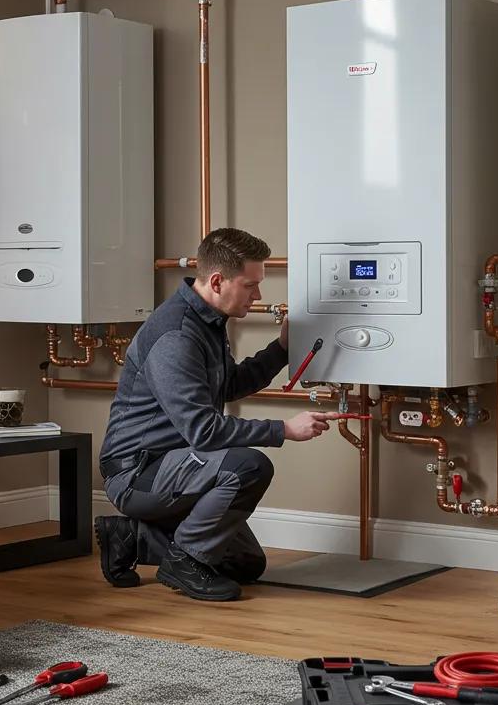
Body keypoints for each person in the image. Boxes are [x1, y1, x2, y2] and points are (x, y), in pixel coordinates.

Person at [95, 227, 339, 601]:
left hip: (180, 463)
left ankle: (131, 537)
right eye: (250, 285)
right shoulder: (176, 336)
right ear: (216, 281)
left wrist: (281, 349)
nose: (258, 295)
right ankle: (183, 563)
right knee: (250, 466)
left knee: (245, 564)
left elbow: (228, 385)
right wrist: (284, 429)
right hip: (139, 472)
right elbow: (204, 431)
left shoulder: (207, 321)